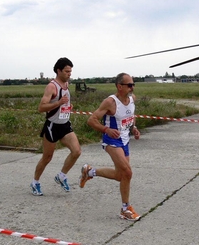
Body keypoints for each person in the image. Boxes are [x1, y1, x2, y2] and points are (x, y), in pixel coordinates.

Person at [80, 72, 141, 221]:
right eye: (129, 85)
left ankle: (90, 172)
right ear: (119, 86)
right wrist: (106, 129)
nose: (132, 87)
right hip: (111, 141)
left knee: (121, 176)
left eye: (133, 84)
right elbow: (91, 120)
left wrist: (133, 128)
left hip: (125, 140)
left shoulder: (132, 99)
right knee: (127, 173)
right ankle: (125, 209)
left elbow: (130, 116)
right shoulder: (110, 102)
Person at [30, 57, 81, 196]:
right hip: (52, 126)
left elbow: (63, 103)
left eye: (70, 71)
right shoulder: (52, 86)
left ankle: (62, 176)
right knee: (47, 157)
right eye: (66, 71)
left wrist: (67, 107)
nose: (69, 74)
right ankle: (35, 182)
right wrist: (58, 103)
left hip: (65, 125)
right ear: (58, 71)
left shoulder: (66, 84)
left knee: (76, 151)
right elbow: (41, 107)